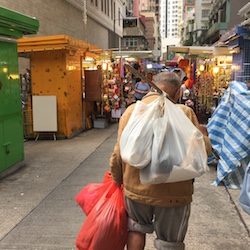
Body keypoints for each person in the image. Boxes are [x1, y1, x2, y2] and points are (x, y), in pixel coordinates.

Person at [110, 72, 212, 250]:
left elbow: (118, 153)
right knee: (170, 242)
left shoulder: (132, 112)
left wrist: (117, 180)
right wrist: (204, 136)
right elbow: (201, 152)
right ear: (178, 93)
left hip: (136, 187)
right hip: (174, 193)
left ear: (152, 87)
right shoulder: (185, 113)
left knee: (135, 229)